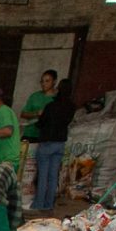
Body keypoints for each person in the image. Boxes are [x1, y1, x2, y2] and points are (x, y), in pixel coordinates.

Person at [32, 79, 77, 212]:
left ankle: (39, 204)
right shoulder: (71, 107)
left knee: (43, 175)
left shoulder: (51, 106)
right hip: (60, 143)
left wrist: (39, 118)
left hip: (47, 143)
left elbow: (41, 123)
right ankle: (49, 204)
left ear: (59, 89)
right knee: (53, 175)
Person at [19, 70, 57, 141]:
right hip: (29, 134)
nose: (44, 84)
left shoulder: (57, 99)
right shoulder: (35, 96)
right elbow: (23, 114)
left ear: (54, 82)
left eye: (47, 81)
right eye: (42, 81)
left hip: (46, 136)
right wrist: (36, 113)